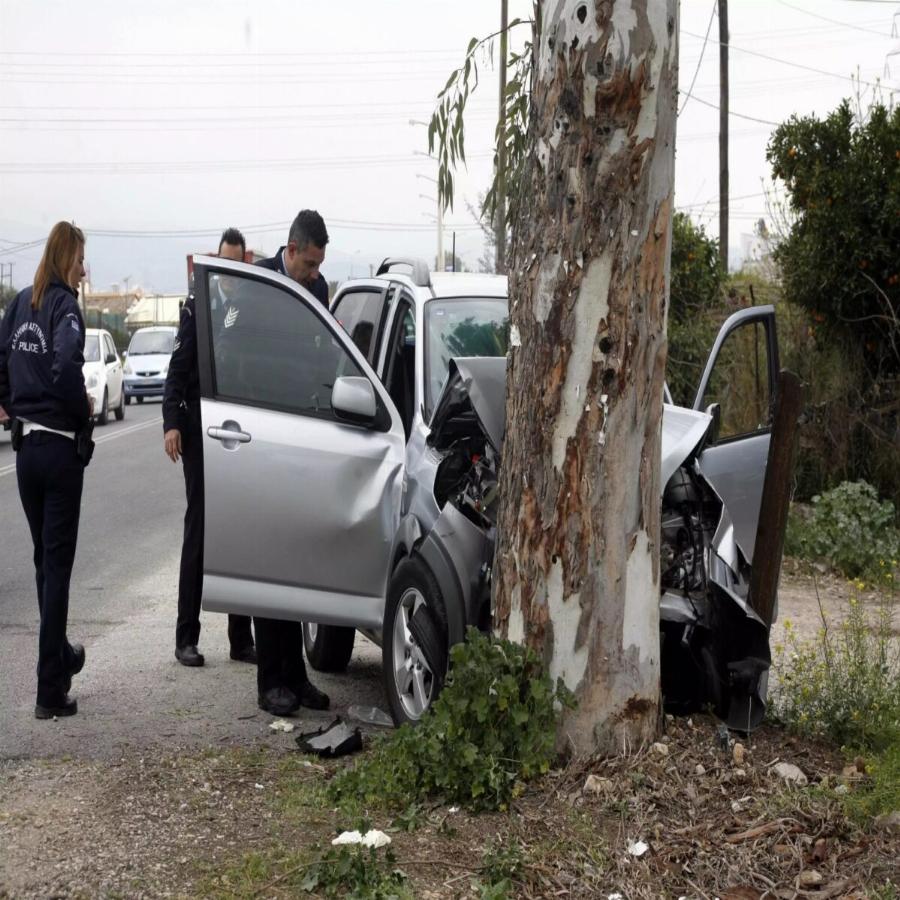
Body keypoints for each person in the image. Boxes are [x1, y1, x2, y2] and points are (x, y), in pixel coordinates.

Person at [0, 222, 92, 718]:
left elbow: (1, 361)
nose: (83, 270)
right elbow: (66, 365)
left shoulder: (19, 305)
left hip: (26, 454)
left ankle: (59, 657)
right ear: (64, 259)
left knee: (44, 563)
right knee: (56, 570)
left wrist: (13, 404)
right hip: (57, 451)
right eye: (79, 260)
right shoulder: (63, 306)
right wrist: (82, 415)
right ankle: (48, 691)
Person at [163, 228, 255, 667]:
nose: (230, 273)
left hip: (240, 430)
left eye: (236, 265)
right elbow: (177, 369)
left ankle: (241, 639)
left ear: (243, 263)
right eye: (224, 264)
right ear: (216, 262)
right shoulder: (198, 305)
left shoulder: (250, 306)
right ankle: (186, 637)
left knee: (240, 532)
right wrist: (171, 424)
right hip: (201, 431)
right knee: (198, 530)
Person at [253, 210, 330, 716]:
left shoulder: (317, 288)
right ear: (292, 249)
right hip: (264, 435)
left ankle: (296, 676)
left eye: (319, 265)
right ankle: (270, 680)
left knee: (298, 563)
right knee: (270, 562)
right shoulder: (259, 282)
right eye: (310, 264)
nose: (314, 274)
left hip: (303, 438)